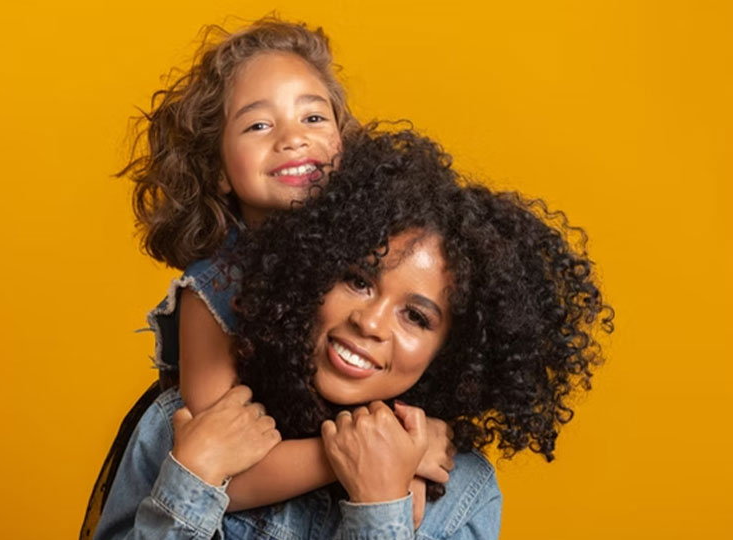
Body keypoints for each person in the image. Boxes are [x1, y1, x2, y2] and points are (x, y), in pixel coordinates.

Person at [94, 128, 614, 539]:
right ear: (312, 270)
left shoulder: (462, 493)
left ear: (453, 353)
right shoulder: (185, 427)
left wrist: (379, 506)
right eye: (359, 281)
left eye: (417, 317)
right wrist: (195, 477)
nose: (370, 322)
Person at [86, 16, 454, 527]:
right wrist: (362, 454)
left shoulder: (371, 260)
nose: (292, 139)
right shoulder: (214, 286)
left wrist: (414, 438)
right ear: (218, 170)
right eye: (259, 125)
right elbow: (220, 474)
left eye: (314, 118)